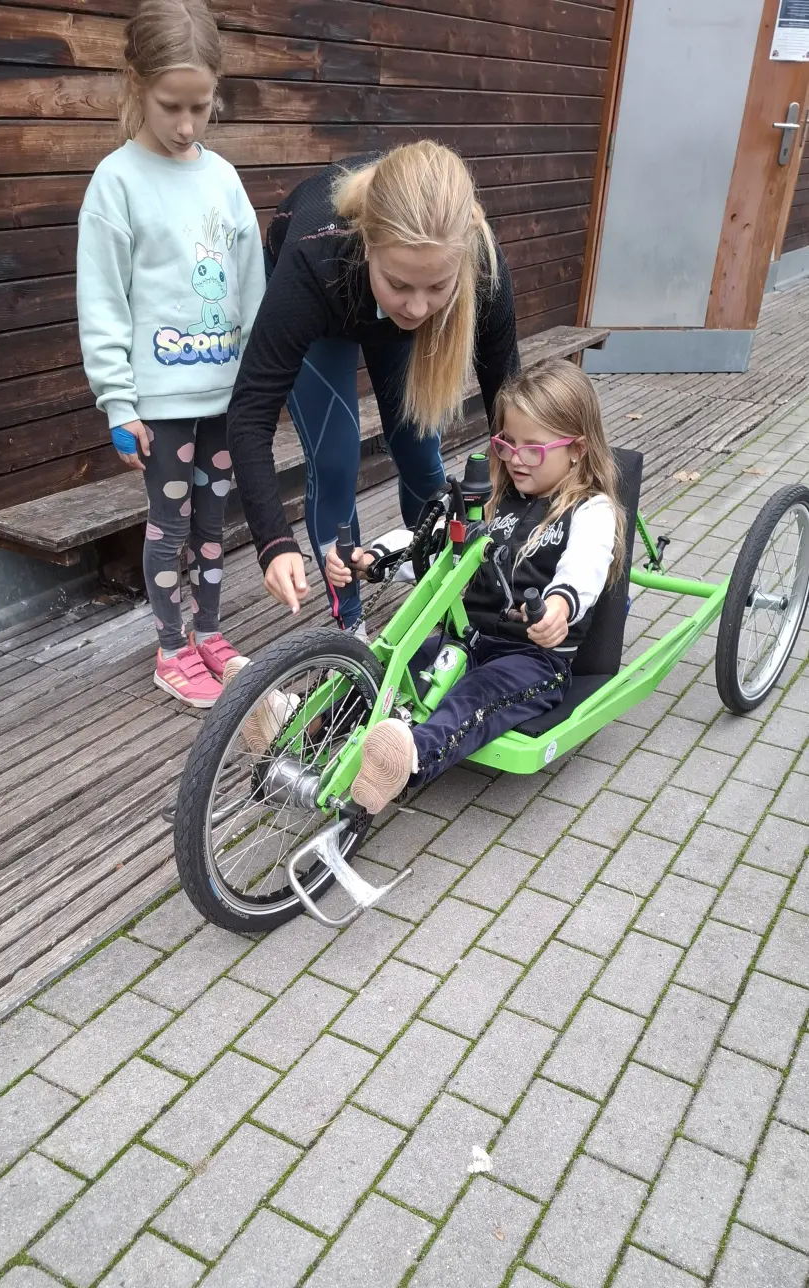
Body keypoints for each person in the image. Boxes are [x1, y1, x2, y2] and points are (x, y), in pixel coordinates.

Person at [225, 140, 520, 632]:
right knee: (335, 459)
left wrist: (525, 510)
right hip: (329, 300)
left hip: (374, 296)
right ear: (367, 244)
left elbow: (509, 406)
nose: (418, 308)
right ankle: (351, 628)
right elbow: (250, 410)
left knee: (420, 450)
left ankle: (436, 589)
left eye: (438, 286)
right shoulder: (314, 259)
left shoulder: (481, 261)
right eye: (400, 284)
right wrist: (274, 542)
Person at [326, 359, 626, 811]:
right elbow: (431, 544)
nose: (515, 459)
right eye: (507, 444)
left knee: (477, 694)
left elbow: (584, 568)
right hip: (467, 639)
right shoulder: (491, 501)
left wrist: (559, 608)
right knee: (384, 669)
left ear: (577, 449)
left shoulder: (590, 511)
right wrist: (374, 559)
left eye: (533, 449)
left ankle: (408, 757)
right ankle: (300, 721)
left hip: (533, 658)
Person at [76, 0, 264, 708]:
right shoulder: (116, 182)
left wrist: (259, 384)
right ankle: (171, 646)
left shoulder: (223, 179)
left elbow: (252, 286)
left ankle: (208, 632)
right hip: (160, 403)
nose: (187, 125)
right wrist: (118, 403)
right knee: (169, 522)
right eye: (171, 107)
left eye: (200, 107)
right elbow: (103, 301)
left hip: (225, 396)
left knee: (216, 521)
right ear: (136, 83)